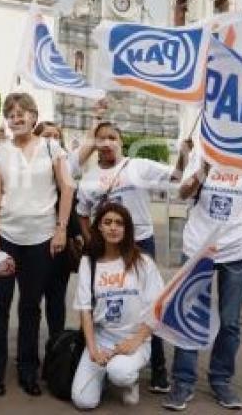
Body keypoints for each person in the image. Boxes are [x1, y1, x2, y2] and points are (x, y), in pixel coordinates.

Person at [163, 152, 242, 412]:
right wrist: (202, 170)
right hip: (197, 247)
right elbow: (182, 193)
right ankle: (183, 381)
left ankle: (221, 379)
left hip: (237, 251)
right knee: (189, 315)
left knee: (230, 322)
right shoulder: (201, 154)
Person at [75, 121, 189, 393]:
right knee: (105, 300)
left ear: (121, 142)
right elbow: (82, 212)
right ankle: (98, 359)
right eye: (101, 139)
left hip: (140, 243)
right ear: (95, 145)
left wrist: (183, 156)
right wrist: (91, 241)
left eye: (112, 137)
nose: (107, 143)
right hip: (108, 246)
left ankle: (158, 370)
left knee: (149, 305)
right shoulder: (88, 178)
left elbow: (175, 176)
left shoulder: (138, 166)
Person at [0, 92, 74, 397]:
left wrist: (61, 229)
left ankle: (27, 370)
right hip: (7, 237)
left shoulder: (52, 147)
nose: (17, 117)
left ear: (35, 117)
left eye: (23, 112)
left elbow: (67, 189)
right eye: (11, 113)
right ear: (6, 121)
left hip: (41, 238)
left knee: (30, 307)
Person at [71, 202, 163, 409]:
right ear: (99, 228)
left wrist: (137, 340)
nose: (113, 227)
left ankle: (130, 381)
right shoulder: (88, 263)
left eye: (119, 223)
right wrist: (93, 349)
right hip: (102, 339)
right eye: (108, 222)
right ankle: (102, 375)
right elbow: (85, 310)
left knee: (120, 373)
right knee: (83, 401)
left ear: (127, 229)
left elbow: (158, 306)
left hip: (134, 339)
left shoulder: (143, 262)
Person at [32, 120, 84, 340]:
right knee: (31, 301)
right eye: (47, 136)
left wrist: (76, 234)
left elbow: (70, 205)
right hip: (33, 241)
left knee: (56, 300)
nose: (52, 140)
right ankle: (28, 357)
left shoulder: (65, 167)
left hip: (60, 242)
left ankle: (56, 352)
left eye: (56, 136)